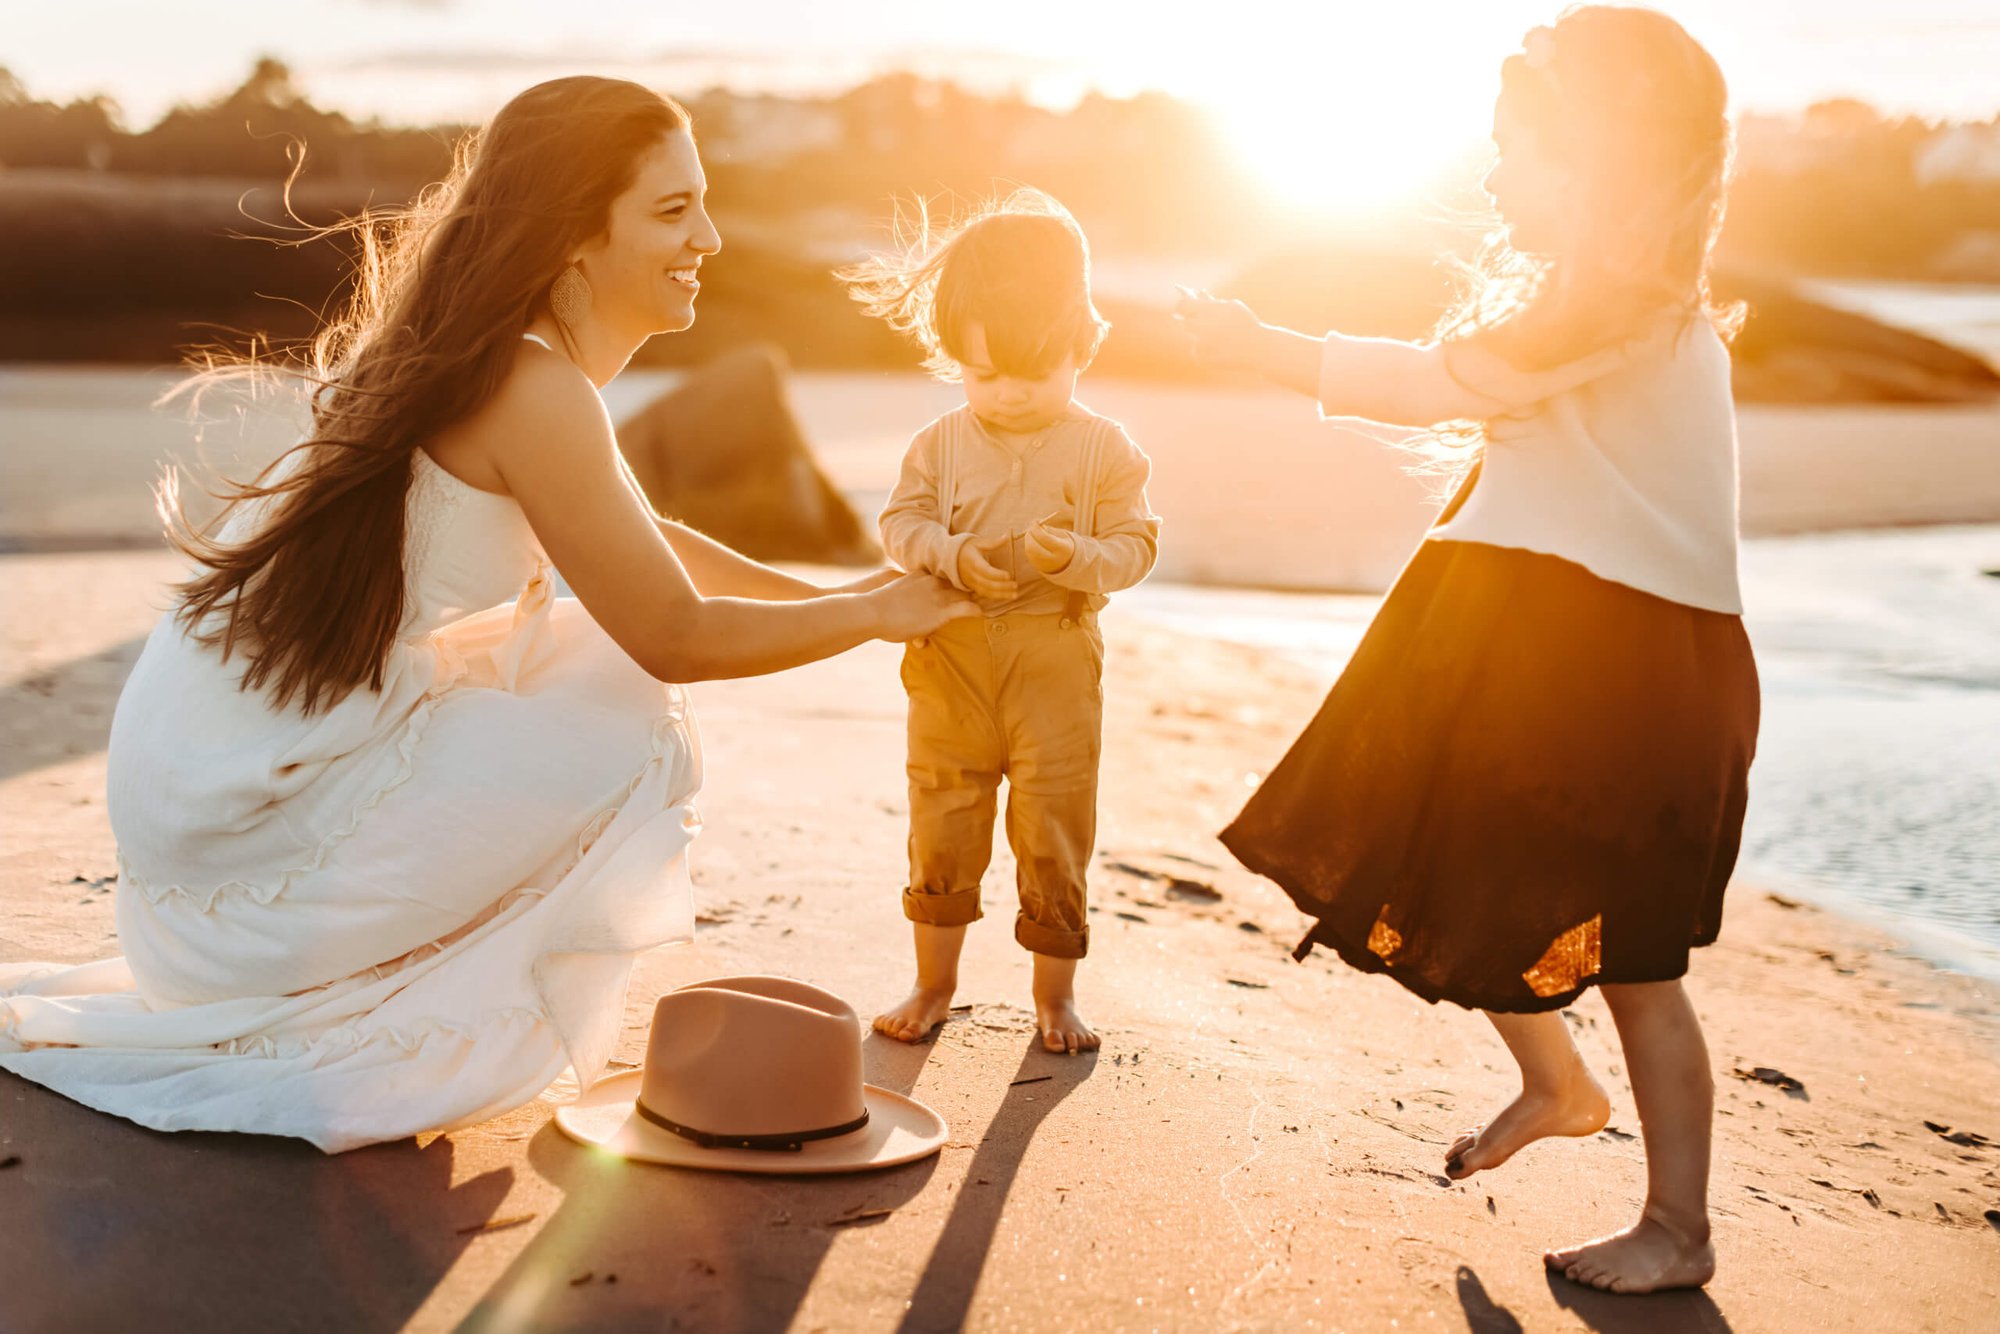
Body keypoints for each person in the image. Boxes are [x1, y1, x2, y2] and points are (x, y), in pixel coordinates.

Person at [0, 76, 976, 1154]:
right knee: (626, 702)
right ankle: (384, 999)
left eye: (702, 201)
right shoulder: (530, 383)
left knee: (572, 662)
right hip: (241, 905)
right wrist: (876, 614)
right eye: (669, 209)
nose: (707, 234)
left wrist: (869, 602)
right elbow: (673, 631)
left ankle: (369, 971)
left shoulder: (486, 360)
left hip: (184, 897)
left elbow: (659, 550)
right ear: (572, 238)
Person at [1177, 7, 1757, 1294]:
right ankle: (1554, 1085)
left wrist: (1262, 346)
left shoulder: (1625, 301)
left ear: (1604, 157)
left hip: (1630, 672)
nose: (1491, 174)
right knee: (1456, 876)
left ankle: (1678, 1223)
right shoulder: (1587, 298)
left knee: (1636, 965)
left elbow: (1443, 380)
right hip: (1533, 649)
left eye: (1516, 148)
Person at [841, 190, 1162, 1054]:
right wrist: (946, 553)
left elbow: (1134, 549)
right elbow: (899, 525)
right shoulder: (940, 442)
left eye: (1033, 370)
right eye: (984, 374)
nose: (1008, 392)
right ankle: (933, 982)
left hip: (1054, 659)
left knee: (1054, 825)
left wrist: (1074, 560)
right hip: (950, 660)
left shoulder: (1107, 449)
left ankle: (1054, 999)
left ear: (1083, 344)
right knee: (942, 815)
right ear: (954, 361)